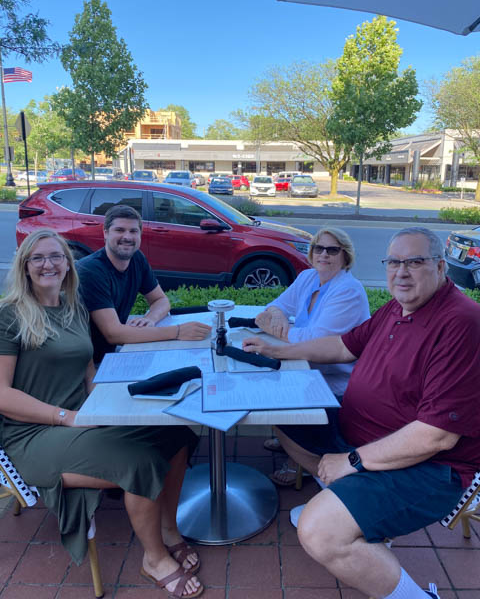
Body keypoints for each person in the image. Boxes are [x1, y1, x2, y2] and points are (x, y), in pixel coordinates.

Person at [243, 227, 480, 599]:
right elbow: (343, 346)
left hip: (430, 468)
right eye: (394, 262)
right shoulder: (397, 307)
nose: (401, 272)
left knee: (319, 530)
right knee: (285, 415)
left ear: (440, 267)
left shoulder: (461, 323)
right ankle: (349, 503)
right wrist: (277, 351)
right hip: (362, 434)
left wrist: (352, 461)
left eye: (414, 262)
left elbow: (436, 436)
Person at [0, 229, 204, 598]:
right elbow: (1, 394)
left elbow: (88, 372)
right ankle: (154, 558)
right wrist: (67, 417)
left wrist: (114, 407)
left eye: (56, 256)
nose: (48, 264)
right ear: (25, 267)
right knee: (140, 460)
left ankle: (169, 529)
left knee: (178, 434)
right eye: (37, 258)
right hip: (33, 435)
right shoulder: (9, 316)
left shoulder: (73, 307)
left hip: (82, 418)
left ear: (68, 264)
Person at [255, 227, 369, 485]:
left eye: (332, 250)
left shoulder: (348, 290)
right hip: (307, 367)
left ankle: (303, 460)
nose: (324, 254)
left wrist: (274, 329)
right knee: (269, 385)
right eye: (319, 248)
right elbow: (276, 306)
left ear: (345, 256)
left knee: (276, 401)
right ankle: (289, 439)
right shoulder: (308, 277)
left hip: (336, 384)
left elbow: (316, 339)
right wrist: (278, 316)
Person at [76, 204, 211, 364]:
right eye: (120, 230)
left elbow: (160, 300)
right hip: (88, 364)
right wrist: (178, 331)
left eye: (133, 231)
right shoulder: (90, 270)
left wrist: (150, 319)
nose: (127, 237)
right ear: (105, 233)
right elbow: (113, 334)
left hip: (111, 352)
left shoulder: (136, 258)